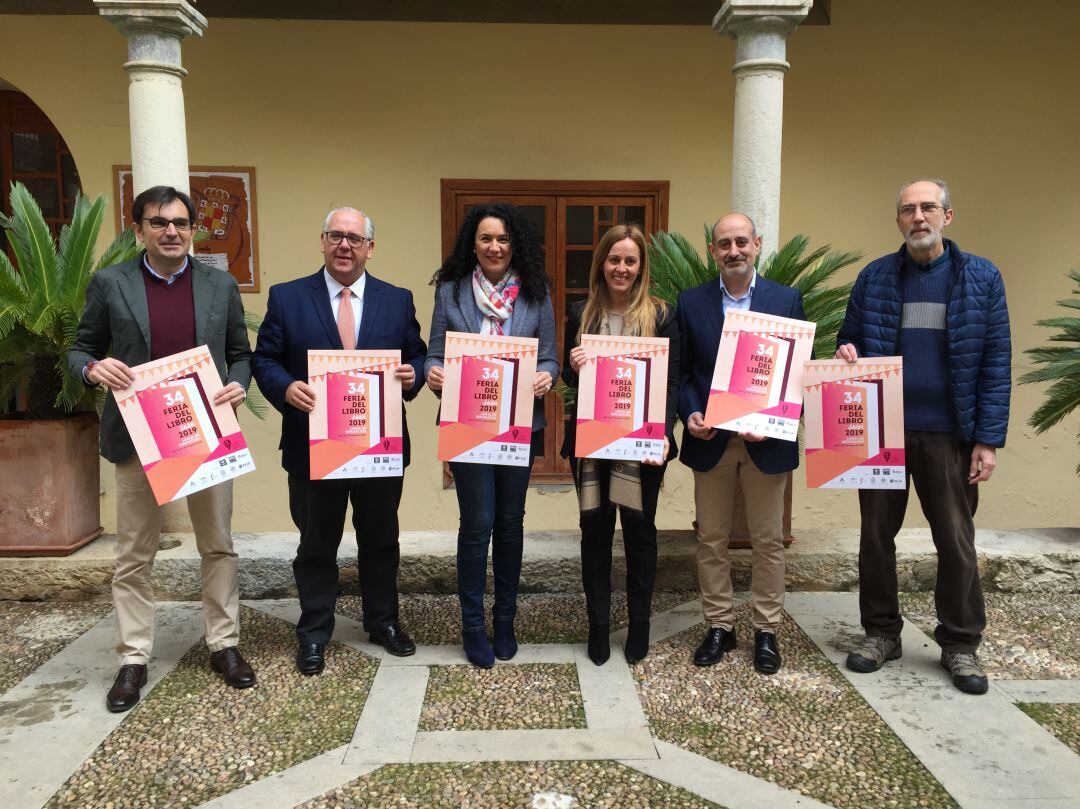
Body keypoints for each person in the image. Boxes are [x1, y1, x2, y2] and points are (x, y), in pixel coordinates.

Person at [68, 185, 256, 711]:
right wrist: (90, 366)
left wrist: (239, 383)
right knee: (134, 554)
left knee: (218, 545)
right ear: (139, 230)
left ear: (193, 229)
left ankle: (225, 645)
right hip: (137, 439)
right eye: (158, 222)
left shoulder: (220, 285)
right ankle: (133, 658)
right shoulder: (111, 283)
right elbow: (81, 345)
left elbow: (241, 353)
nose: (170, 231)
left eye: (179, 222)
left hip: (205, 435)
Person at [837, 178, 1011, 695]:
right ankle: (881, 633)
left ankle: (959, 644)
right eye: (908, 210)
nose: (918, 217)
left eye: (928, 208)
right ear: (898, 220)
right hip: (880, 431)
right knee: (875, 536)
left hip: (949, 436)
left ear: (947, 216)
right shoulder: (874, 277)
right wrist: (847, 350)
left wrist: (987, 440)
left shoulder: (981, 278)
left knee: (955, 540)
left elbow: (996, 362)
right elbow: (850, 337)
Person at [251, 207, 427, 675]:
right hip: (312, 445)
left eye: (354, 238)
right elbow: (264, 359)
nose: (344, 245)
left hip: (378, 445)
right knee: (316, 542)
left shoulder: (397, 299)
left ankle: (383, 621)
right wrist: (286, 387)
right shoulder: (288, 298)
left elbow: (418, 356)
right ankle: (313, 632)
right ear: (323, 241)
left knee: (380, 538)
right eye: (336, 236)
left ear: (370, 247)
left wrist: (414, 374)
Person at [425, 203, 559, 668]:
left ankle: (506, 620)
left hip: (518, 424)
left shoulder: (537, 292)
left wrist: (545, 377)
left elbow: (551, 358)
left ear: (513, 243)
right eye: (486, 239)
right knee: (476, 523)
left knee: (510, 523)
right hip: (467, 424)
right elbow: (433, 354)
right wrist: (434, 374)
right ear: (473, 243)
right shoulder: (451, 291)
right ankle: (473, 626)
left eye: (502, 239)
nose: (495, 247)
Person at [677, 212, 806, 675]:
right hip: (712, 440)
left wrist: (773, 422)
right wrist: (689, 411)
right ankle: (720, 626)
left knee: (768, 541)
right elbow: (684, 373)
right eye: (724, 244)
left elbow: (796, 374)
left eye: (741, 242)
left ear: (757, 244)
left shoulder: (786, 299)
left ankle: (766, 631)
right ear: (712, 251)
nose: (733, 251)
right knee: (711, 538)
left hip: (765, 444)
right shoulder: (690, 303)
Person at [561, 224, 679, 666]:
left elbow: (670, 381)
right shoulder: (581, 315)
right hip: (593, 445)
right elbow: (573, 382)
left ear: (641, 267)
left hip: (642, 446)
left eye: (630, 260)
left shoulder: (662, 315)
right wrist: (573, 364)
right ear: (602, 264)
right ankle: (597, 626)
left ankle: (640, 625)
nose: (622, 268)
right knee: (594, 533)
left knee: (639, 533)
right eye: (614, 259)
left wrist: (664, 432)